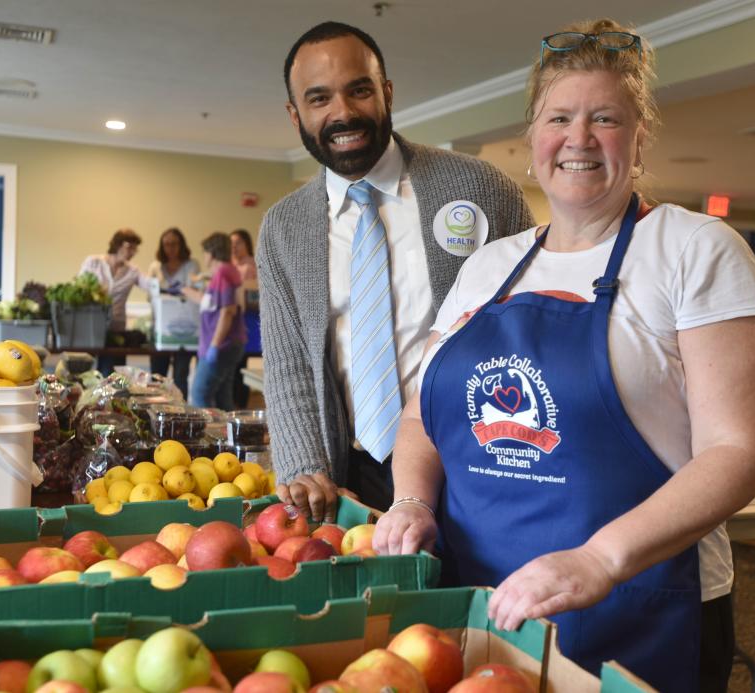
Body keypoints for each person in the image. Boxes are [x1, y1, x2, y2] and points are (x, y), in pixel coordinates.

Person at [372, 18, 755, 693]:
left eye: (605, 118)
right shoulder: (487, 269)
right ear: (533, 136)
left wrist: (601, 557)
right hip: (481, 602)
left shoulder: (695, 251)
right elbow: (423, 416)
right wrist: (413, 499)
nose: (579, 138)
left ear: (640, 135)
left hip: (637, 610)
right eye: (559, 117)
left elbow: (737, 452)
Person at [258, 21, 534, 520]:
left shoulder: (481, 190)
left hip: (472, 466)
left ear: (386, 92)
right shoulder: (282, 227)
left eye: (359, 90)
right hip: (346, 482)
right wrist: (304, 467)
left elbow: (528, 330)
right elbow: (288, 364)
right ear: (294, 113)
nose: (343, 113)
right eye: (319, 99)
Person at [184, 232, 245, 410]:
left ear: (211, 253)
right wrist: (187, 291)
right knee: (223, 398)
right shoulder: (229, 271)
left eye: (205, 252)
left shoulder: (223, 274)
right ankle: (229, 437)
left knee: (199, 393)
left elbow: (227, 311)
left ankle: (205, 436)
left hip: (222, 345)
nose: (204, 257)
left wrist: (214, 345)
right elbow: (213, 304)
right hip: (231, 343)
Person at [79, 228, 152, 375]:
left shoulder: (133, 271)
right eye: (129, 247)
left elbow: (151, 285)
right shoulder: (93, 262)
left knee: (111, 376)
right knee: (83, 375)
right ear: (117, 244)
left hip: (116, 329)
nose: (132, 252)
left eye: (135, 249)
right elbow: (79, 288)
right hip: (90, 328)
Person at [148, 227, 200, 399]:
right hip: (160, 327)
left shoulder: (192, 265)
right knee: (157, 374)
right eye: (166, 244)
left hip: (185, 328)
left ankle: (180, 413)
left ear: (182, 245)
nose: (170, 248)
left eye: (174, 244)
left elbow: (195, 292)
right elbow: (150, 294)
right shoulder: (156, 266)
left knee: (181, 374)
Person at [229, 229, 260, 408]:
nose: (234, 247)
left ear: (247, 244)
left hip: (247, 322)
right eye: (231, 243)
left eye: (238, 242)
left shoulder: (252, 266)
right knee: (231, 368)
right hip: (230, 322)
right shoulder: (228, 266)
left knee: (240, 365)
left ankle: (240, 406)